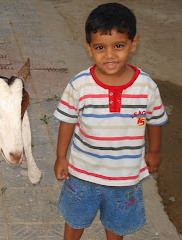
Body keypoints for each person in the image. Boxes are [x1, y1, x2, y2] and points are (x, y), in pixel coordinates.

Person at [53, 3, 168, 240]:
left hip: (125, 178)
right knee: (75, 220)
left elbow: (155, 121)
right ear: (89, 47)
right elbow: (67, 122)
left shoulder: (146, 87)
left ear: (133, 43)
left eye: (118, 46)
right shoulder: (80, 85)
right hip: (82, 173)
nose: (109, 55)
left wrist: (154, 152)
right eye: (100, 47)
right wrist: (61, 157)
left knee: (117, 226)